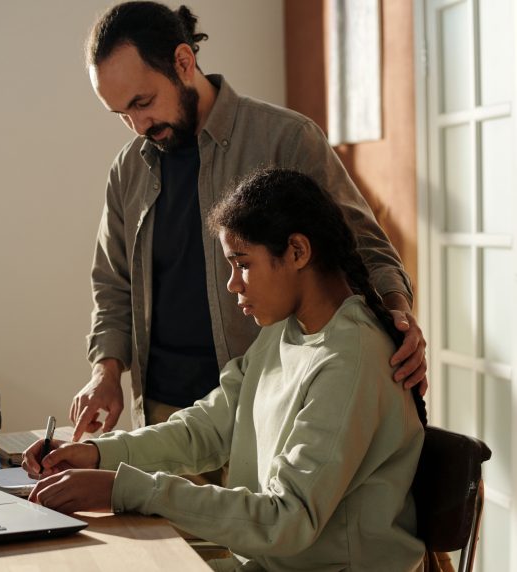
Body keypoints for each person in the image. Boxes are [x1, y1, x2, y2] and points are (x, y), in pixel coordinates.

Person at [27, 169, 428, 571]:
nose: (233, 285)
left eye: (242, 264)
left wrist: (124, 488)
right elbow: (207, 429)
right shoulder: (284, 332)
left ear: (297, 252)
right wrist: (98, 455)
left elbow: (286, 519)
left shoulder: (350, 358)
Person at [69, 1, 428, 442]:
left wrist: (398, 314)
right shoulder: (127, 170)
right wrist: (105, 372)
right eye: (121, 114)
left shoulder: (286, 139)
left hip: (271, 412)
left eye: (143, 102)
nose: (137, 124)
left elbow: (365, 248)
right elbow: (113, 285)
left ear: (184, 62)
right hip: (164, 418)